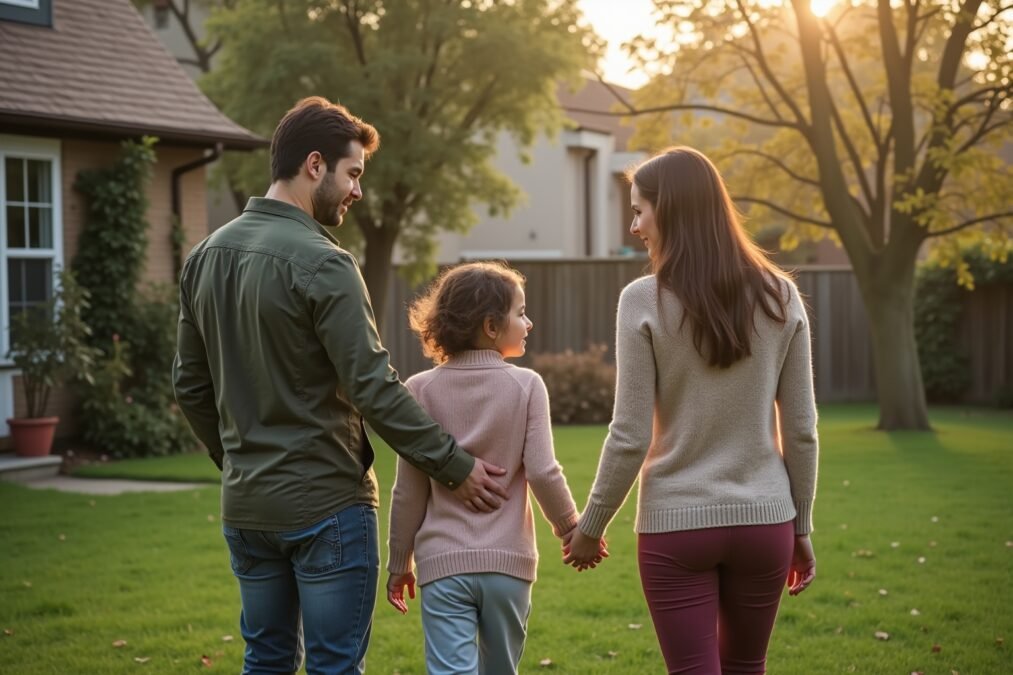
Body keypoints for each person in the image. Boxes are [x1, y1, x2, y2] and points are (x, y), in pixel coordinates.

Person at [172, 96, 509, 675]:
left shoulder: (204, 256)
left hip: (247, 507)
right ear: (313, 165)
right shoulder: (326, 263)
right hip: (326, 504)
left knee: (266, 661)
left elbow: (189, 385)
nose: (357, 191)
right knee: (334, 666)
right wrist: (452, 463)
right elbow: (373, 386)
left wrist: (236, 462)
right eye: (352, 174)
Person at [563, 146, 819, 674]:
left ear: (672, 209)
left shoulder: (643, 300)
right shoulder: (782, 297)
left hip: (676, 526)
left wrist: (591, 526)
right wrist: (801, 527)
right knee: (748, 667)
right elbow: (802, 431)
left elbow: (630, 434)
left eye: (639, 210)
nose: (634, 226)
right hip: (766, 521)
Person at [385, 261, 587, 675]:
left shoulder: (419, 390)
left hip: (442, 565)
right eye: (520, 313)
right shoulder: (527, 385)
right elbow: (544, 471)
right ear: (491, 326)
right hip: (508, 567)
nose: (528, 323)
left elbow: (408, 490)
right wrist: (571, 528)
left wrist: (399, 562)